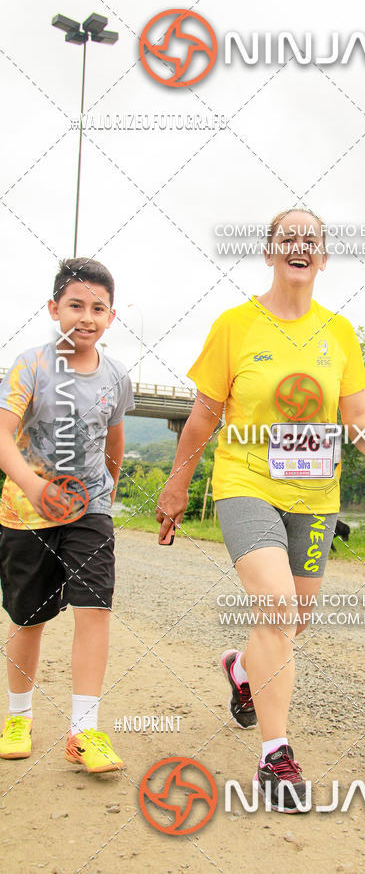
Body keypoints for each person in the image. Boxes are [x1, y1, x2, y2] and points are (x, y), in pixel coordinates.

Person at [156, 208, 365, 811]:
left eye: (312, 241)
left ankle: (242, 668)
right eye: (288, 238)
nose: (301, 247)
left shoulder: (338, 331)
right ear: (269, 252)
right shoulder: (236, 325)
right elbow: (204, 415)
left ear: (322, 258)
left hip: (317, 493)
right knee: (277, 604)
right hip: (246, 481)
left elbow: (356, 411)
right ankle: (277, 755)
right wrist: (175, 485)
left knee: (292, 621)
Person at [0, 258, 134, 773]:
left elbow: (114, 437)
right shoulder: (31, 364)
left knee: (94, 607)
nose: (87, 316)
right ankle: (18, 716)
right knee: (27, 617)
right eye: (76, 305)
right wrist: (34, 486)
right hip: (26, 514)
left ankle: (84, 731)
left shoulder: (117, 375)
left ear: (111, 316)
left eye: (98, 307)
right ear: (54, 308)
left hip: (90, 511)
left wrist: (108, 488)